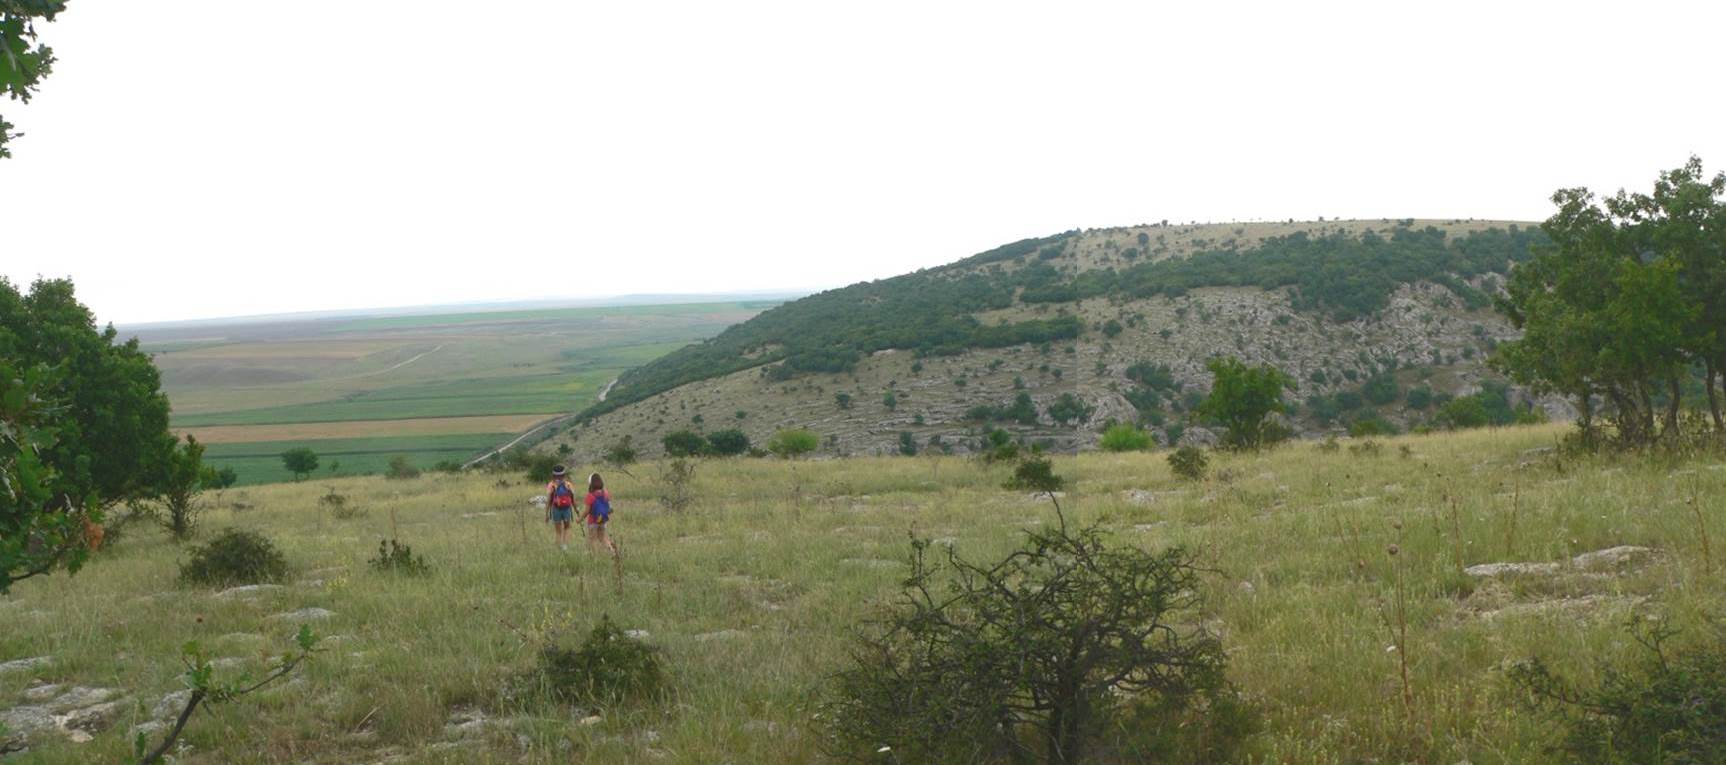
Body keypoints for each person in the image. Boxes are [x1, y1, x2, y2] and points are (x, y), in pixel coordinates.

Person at [582, 472, 618, 556]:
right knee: (603, 538)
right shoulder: (605, 493)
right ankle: (612, 552)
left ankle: (595, 557)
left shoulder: (590, 496)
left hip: (592, 521)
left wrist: (580, 519)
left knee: (593, 539)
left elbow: (586, 511)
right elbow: (610, 509)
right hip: (603, 520)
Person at [545, 465, 578, 550]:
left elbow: (548, 501)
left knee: (558, 531)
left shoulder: (551, 485)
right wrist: (576, 510)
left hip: (556, 509)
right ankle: (565, 546)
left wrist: (546, 514)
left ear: (553, 474)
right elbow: (573, 499)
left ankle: (558, 548)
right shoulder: (568, 484)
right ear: (564, 474)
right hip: (566, 509)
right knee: (567, 528)